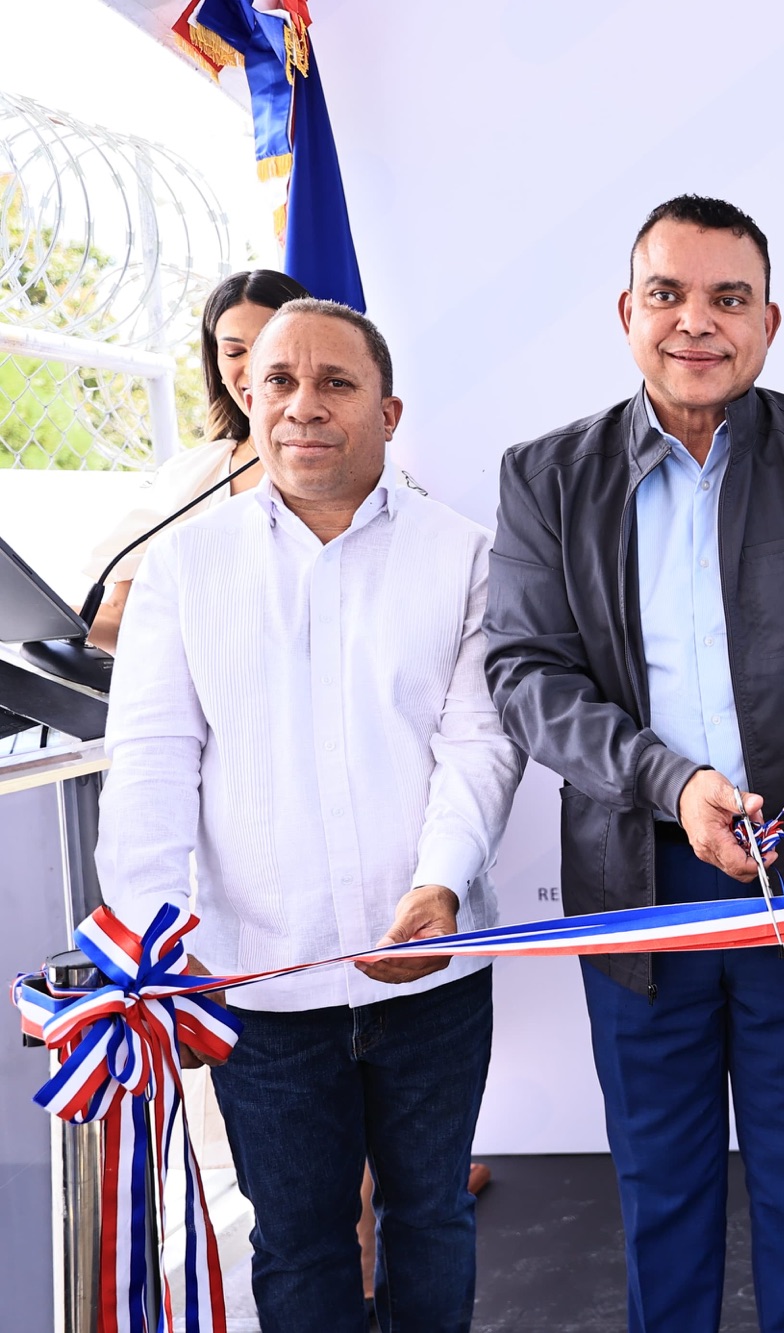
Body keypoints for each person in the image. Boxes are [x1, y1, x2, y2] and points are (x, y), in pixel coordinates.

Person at [483, 195, 784, 1333]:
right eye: (669, 294)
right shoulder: (546, 476)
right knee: (663, 1195)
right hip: (636, 888)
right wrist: (673, 782)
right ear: (626, 313)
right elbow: (528, 676)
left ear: (768, 323)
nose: (697, 321)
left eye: (728, 298)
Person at [95, 299, 524, 1332]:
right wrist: (151, 943)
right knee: (297, 1241)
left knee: (431, 1218)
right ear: (248, 399)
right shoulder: (187, 568)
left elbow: (479, 742)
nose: (303, 405)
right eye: (279, 381)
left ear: (389, 411)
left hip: (431, 975)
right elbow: (151, 762)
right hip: (260, 985)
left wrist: (440, 883)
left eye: (336, 382)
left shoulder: (465, 554)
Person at [81, 268, 309, 650]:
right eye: (234, 352)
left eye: (271, 347)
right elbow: (123, 617)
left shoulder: (355, 473)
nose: (255, 368)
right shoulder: (192, 474)